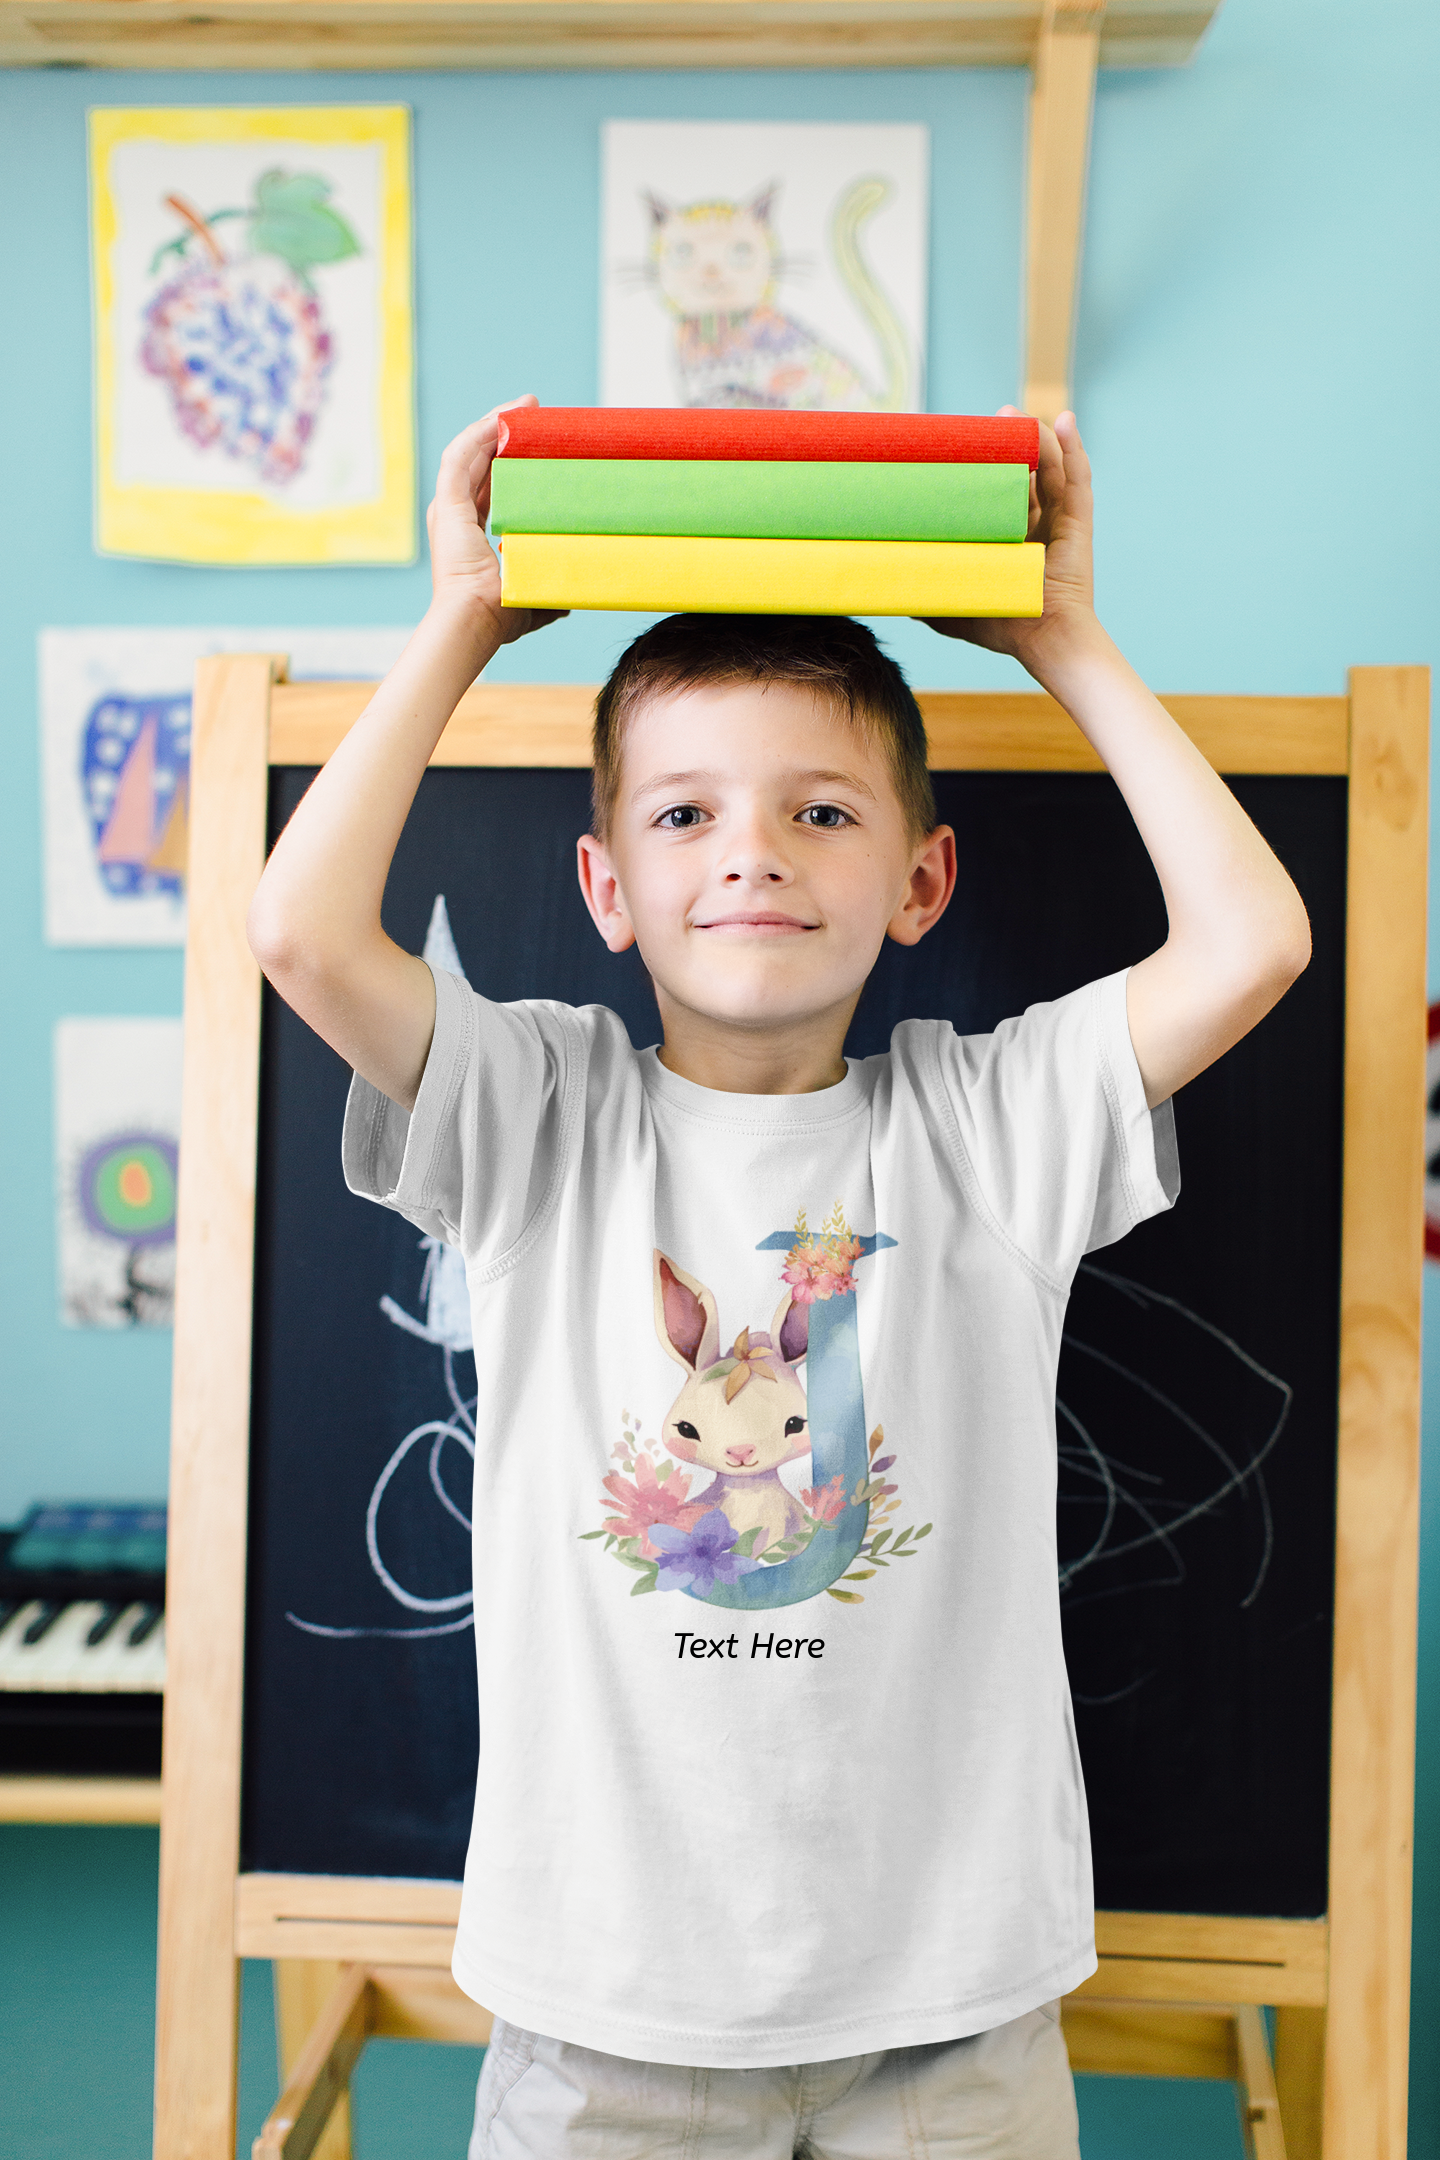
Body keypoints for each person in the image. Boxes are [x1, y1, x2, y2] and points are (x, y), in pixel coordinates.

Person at [247, 396, 1310, 2159]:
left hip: (951, 2013)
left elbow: (1257, 939)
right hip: (605, 2013)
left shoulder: (988, 1128)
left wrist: (1060, 635)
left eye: (823, 811)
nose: (750, 850)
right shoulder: (540, 1114)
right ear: (604, 887)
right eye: (682, 815)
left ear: (920, 879)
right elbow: (297, 932)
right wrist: (467, 617)